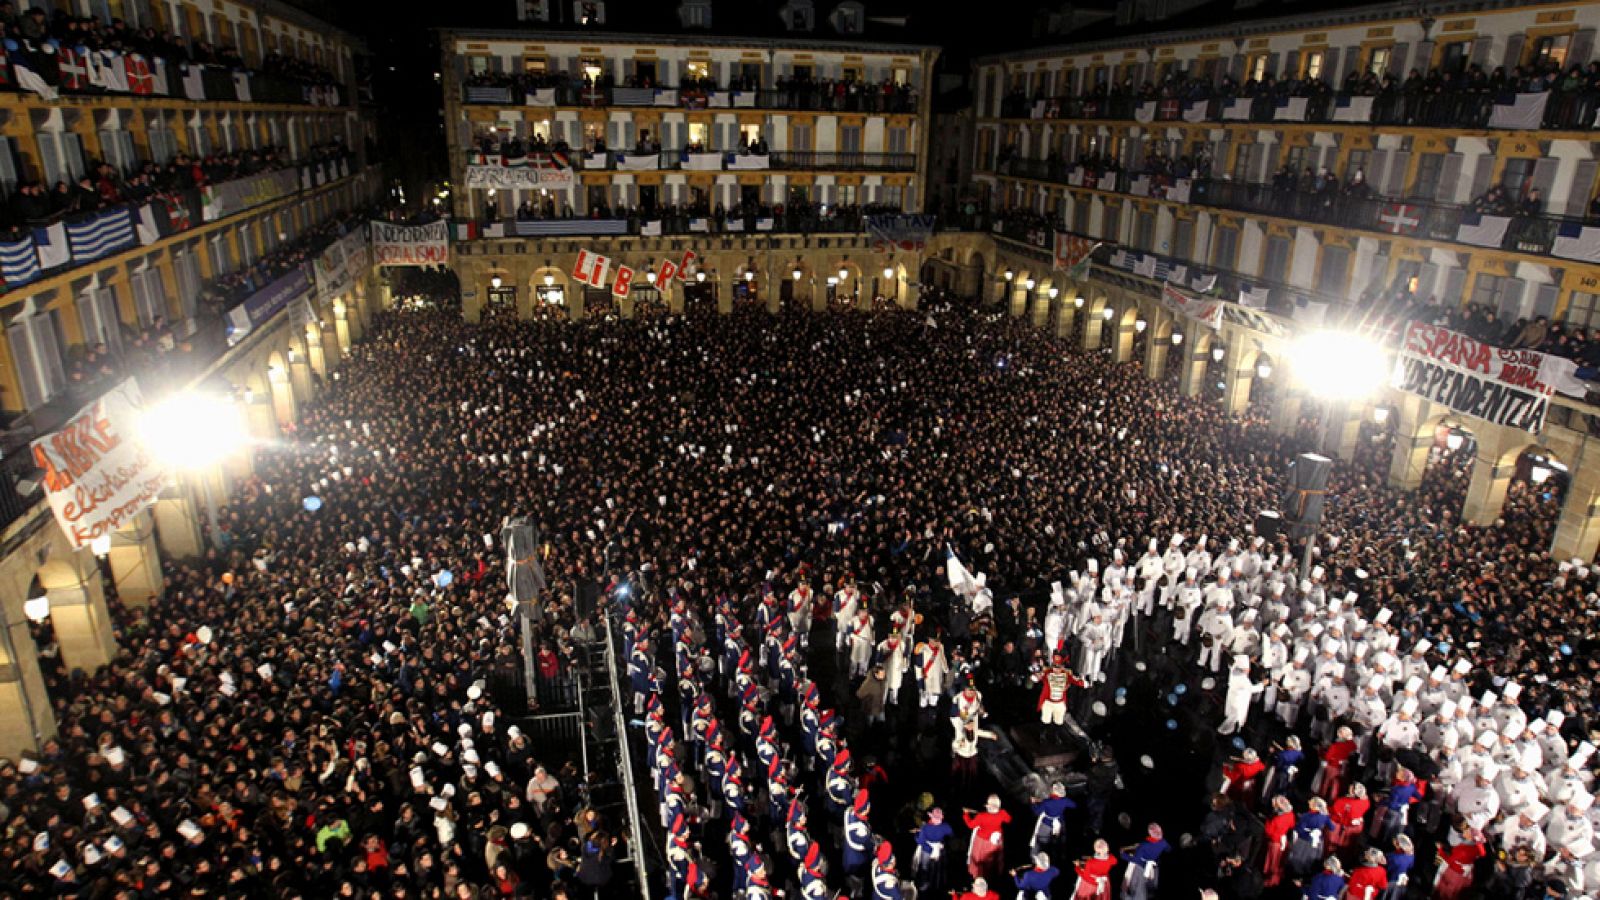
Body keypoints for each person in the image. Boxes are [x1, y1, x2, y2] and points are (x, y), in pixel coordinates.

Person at [964, 795, 1011, 881]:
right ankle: (993, 875)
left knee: (979, 858)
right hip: (996, 841)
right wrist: (1002, 812)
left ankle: (978, 875)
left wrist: (966, 814)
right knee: (994, 858)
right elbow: (1008, 819)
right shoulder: (1002, 813)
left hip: (982, 841)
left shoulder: (981, 816)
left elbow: (970, 825)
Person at [1119, 823, 1168, 900]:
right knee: (1149, 887)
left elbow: (1136, 859)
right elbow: (1167, 849)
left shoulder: (1145, 845)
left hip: (1141, 868)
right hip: (1153, 868)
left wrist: (1123, 855)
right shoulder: (1164, 843)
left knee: (1137, 888)